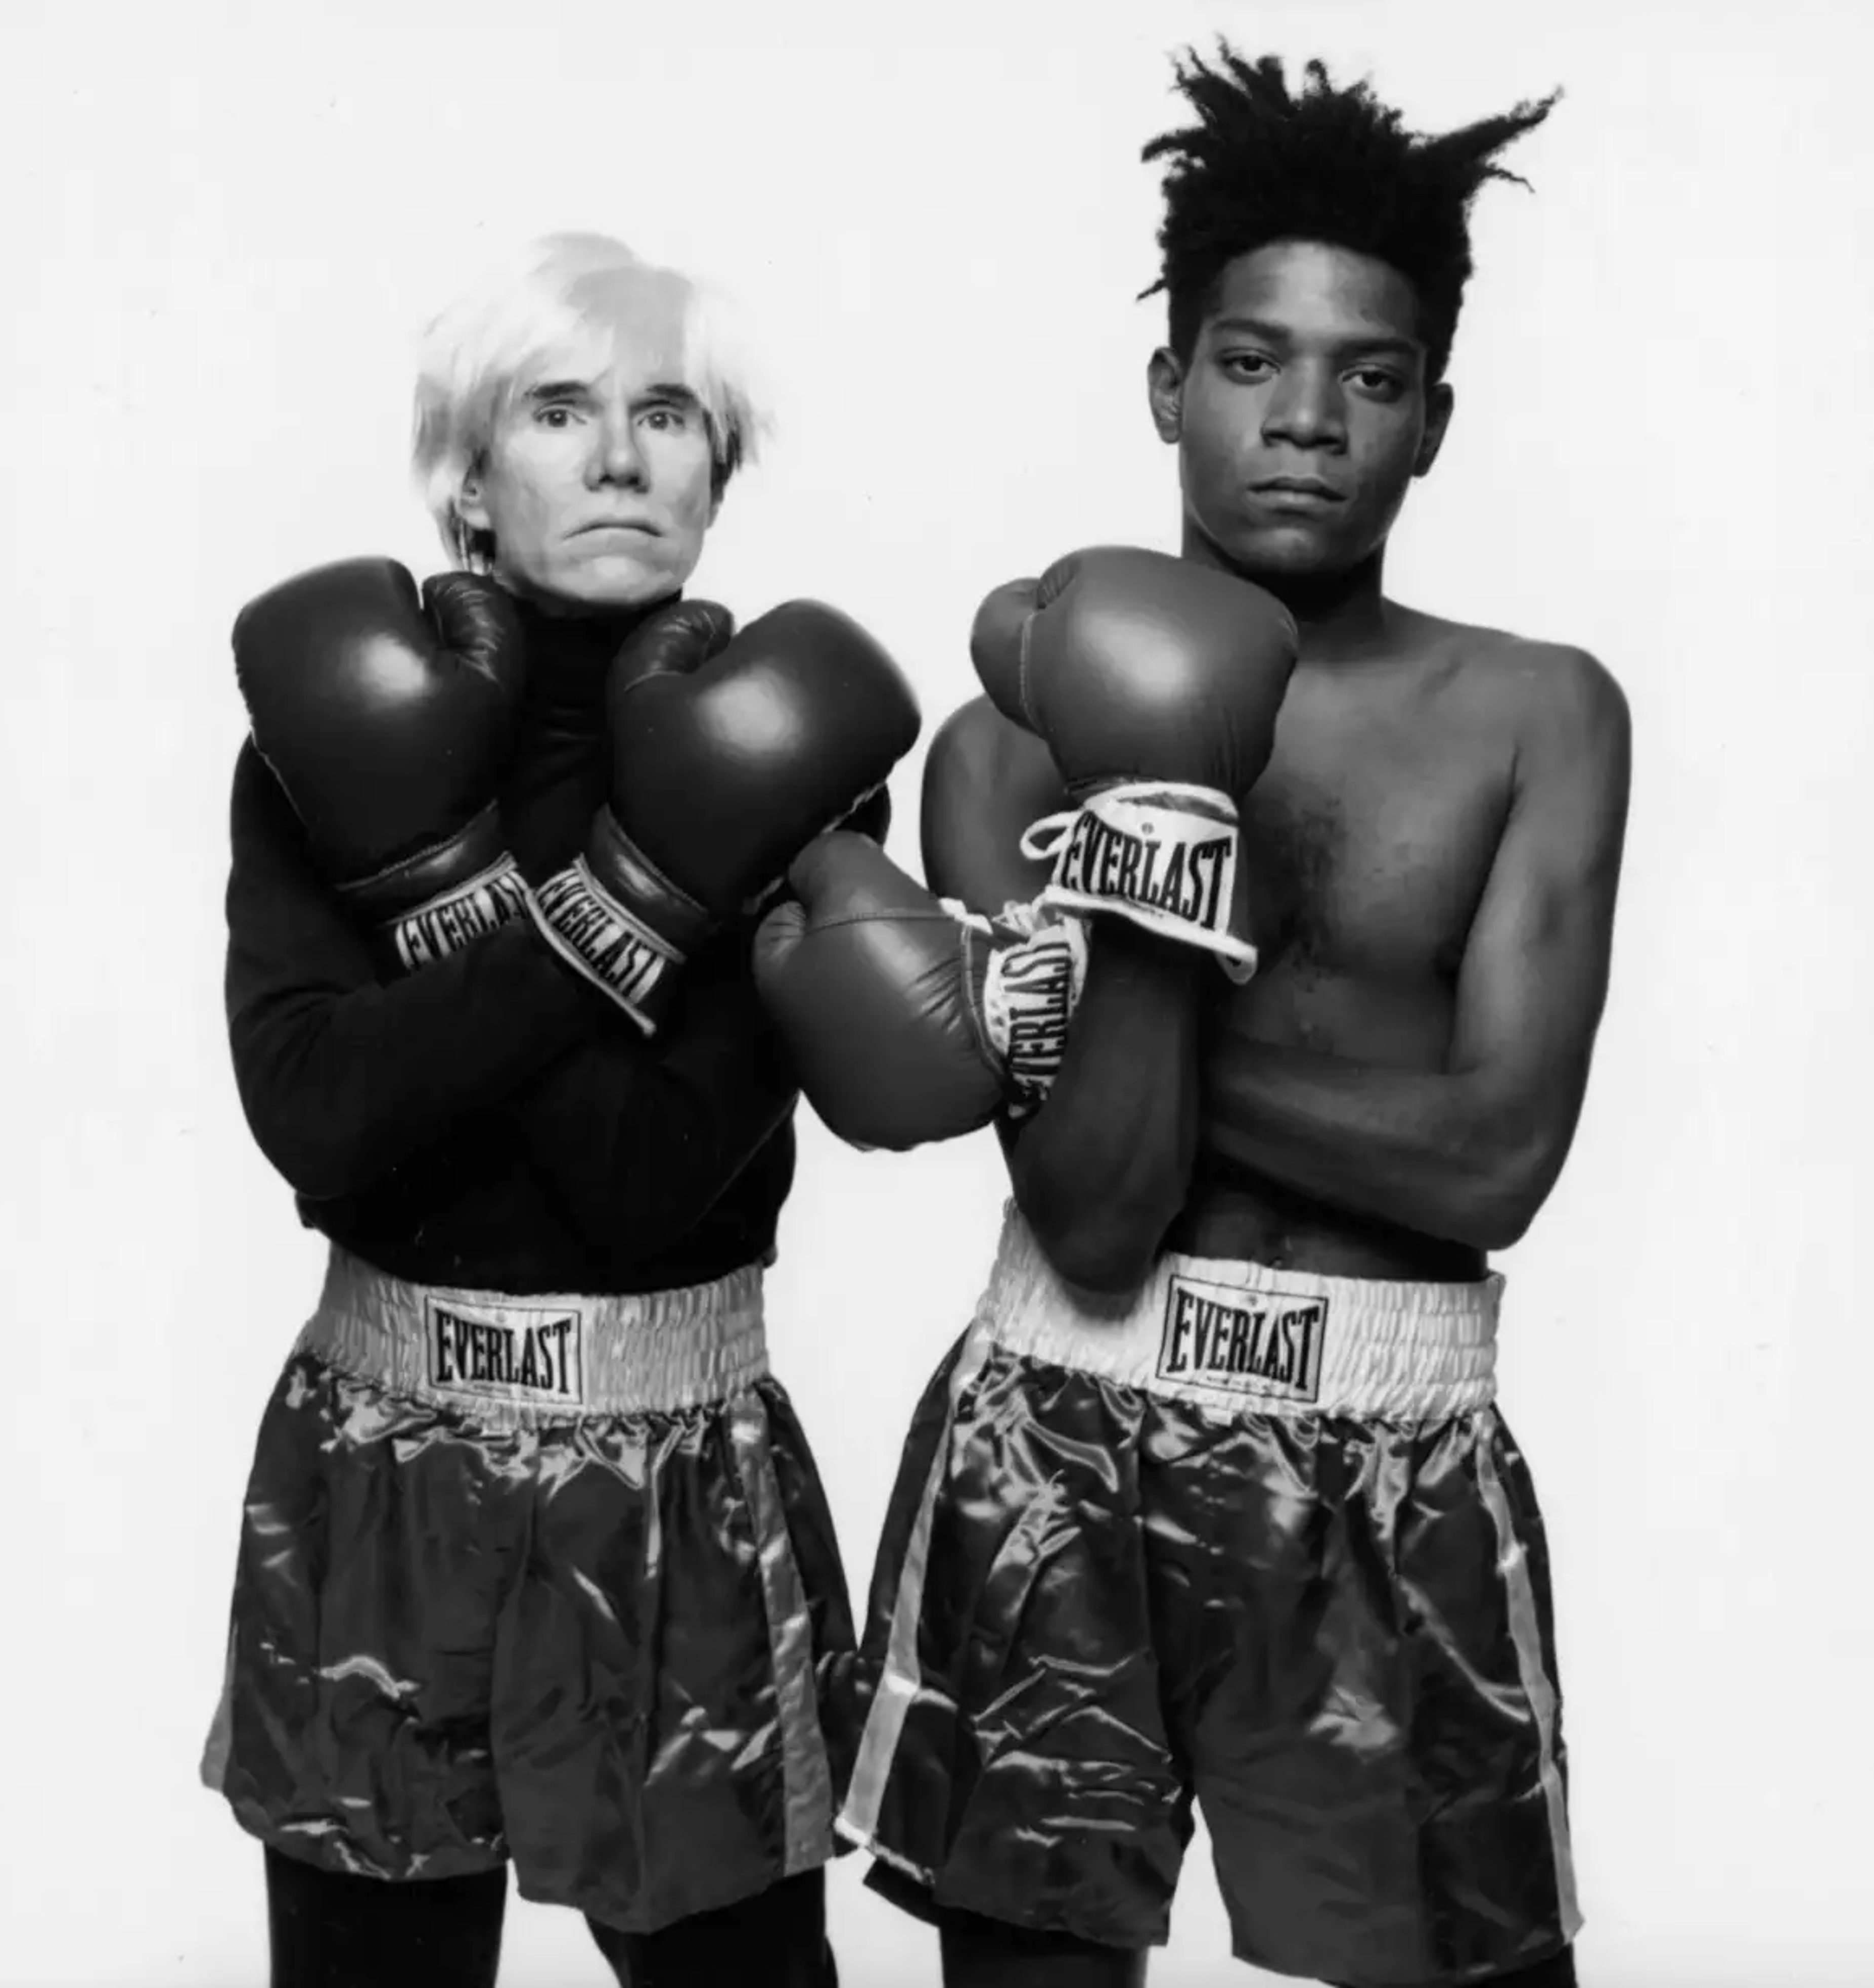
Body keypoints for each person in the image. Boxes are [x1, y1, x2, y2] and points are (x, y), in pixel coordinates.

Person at [759, 46, 1630, 1988]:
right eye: (1249, 362)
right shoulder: (1008, 740)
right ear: (1170, 384)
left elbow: (1501, 1153)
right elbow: (1091, 1214)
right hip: (1057, 1433)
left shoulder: (1540, 714)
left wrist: (1117, 966)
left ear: (1433, 420)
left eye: (1369, 377)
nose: (1304, 421)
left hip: (1388, 1436)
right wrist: (1152, 792)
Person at [199, 232, 920, 1988]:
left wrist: (452, 915)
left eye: (666, 413)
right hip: (382, 1463)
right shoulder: (325, 724)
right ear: (468, 474)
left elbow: (646, 1182)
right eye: (560, 410)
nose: (618, 456)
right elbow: (314, 1114)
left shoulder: (794, 749)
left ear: (717, 469)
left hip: (670, 1469)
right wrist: (630, 909)